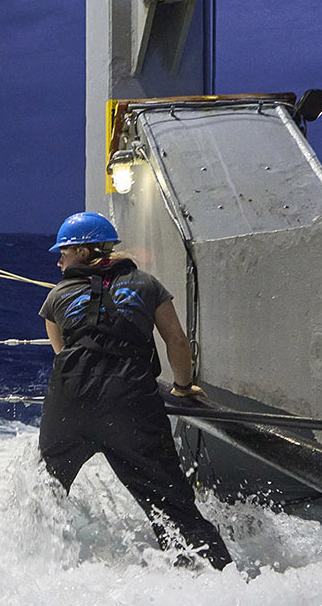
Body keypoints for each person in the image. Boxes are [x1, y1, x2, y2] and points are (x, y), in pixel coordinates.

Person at [38, 211, 232, 569]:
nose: (59, 261)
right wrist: (183, 386)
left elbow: (62, 353)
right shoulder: (147, 284)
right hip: (129, 406)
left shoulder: (56, 297)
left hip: (69, 406)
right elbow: (177, 341)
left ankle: (36, 566)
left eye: (63, 253)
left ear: (83, 252)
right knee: (173, 508)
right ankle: (214, 578)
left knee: (44, 492)